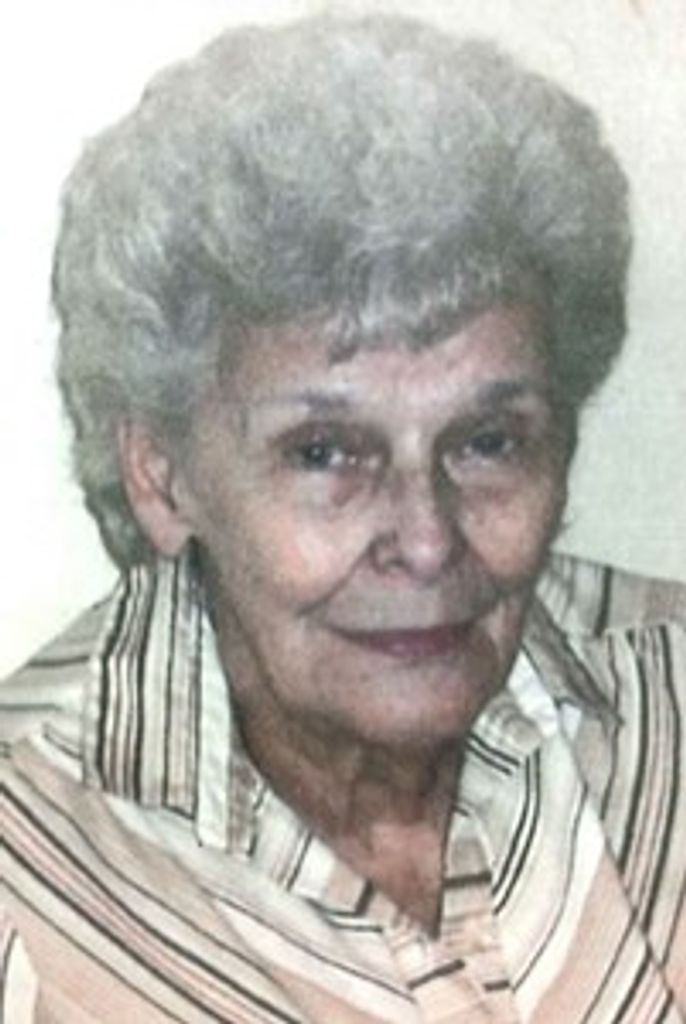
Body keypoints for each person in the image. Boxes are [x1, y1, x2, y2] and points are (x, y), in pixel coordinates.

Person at [2, 12, 685, 1022]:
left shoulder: (669, 695)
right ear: (162, 478)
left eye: (488, 440)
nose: (427, 540)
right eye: (324, 452)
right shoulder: (28, 875)